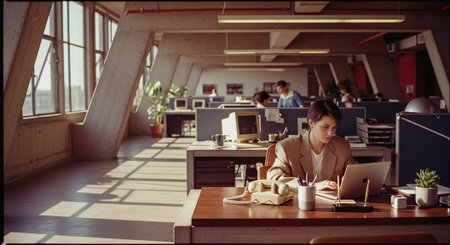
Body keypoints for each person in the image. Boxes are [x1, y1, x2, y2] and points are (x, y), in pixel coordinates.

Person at [267, 100, 357, 190]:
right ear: (311, 123)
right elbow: (275, 177)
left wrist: (350, 180)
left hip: (332, 202)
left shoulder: (342, 146)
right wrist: (311, 186)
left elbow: (357, 173)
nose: (330, 133)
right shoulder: (287, 147)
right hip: (300, 201)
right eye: (325, 127)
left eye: (334, 128)